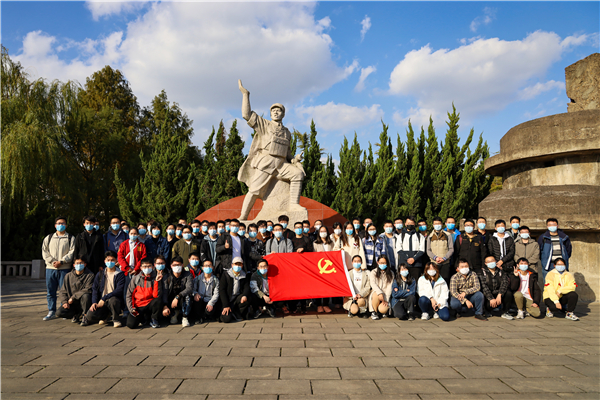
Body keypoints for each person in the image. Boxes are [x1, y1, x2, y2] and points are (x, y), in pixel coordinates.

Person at [42, 216, 75, 321]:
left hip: (64, 268)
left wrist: (61, 261)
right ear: (55, 225)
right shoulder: (49, 238)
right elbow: (44, 251)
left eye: (63, 223)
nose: (61, 225)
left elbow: (72, 252)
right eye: (59, 223)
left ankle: (63, 310)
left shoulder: (70, 238)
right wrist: (52, 261)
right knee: (50, 291)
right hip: (50, 268)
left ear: (66, 225)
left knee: (64, 291)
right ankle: (51, 310)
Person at [84, 251, 125, 327]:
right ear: (105, 261)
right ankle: (105, 316)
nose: (110, 262)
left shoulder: (120, 274)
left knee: (113, 300)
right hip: (101, 302)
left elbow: (119, 290)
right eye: (108, 260)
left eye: (112, 260)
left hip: (113, 299)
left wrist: (104, 298)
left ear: (116, 261)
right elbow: (95, 289)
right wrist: (94, 302)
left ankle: (116, 319)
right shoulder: (100, 274)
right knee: (90, 316)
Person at [126, 258, 163, 329]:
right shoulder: (135, 279)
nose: (147, 268)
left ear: (153, 267)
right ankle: (144, 319)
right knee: (131, 324)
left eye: (149, 266)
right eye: (145, 266)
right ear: (141, 268)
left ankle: (154, 319)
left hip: (150, 304)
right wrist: (131, 308)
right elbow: (129, 295)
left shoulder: (155, 277)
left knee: (158, 301)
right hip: (138, 305)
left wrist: (157, 281)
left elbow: (156, 295)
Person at [56, 258, 94, 325]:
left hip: (83, 302)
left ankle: (85, 316)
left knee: (86, 296)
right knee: (59, 313)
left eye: (81, 263)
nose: (79, 265)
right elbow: (62, 291)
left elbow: (88, 289)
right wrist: (64, 302)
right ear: (74, 265)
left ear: (85, 264)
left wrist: (73, 297)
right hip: (72, 303)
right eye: (77, 263)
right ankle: (76, 314)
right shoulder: (68, 276)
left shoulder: (90, 275)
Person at [161, 255, 193, 327]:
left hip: (181, 298)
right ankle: (174, 313)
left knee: (188, 296)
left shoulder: (187, 274)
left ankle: (185, 317)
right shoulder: (167, 276)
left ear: (182, 265)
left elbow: (189, 288)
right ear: (171, 266)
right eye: (174, 265)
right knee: (173, 321)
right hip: (170, 299)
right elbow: (165, 291)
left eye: (178, 265)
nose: (177, 267)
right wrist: (165, 306)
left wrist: (178, 297)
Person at [219, 257, 251, 323]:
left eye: (240, 264)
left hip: (237, 299)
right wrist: (226, 305)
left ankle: (235, 312)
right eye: (236, 264)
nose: (238, 266)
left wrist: (244, 295)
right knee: (226, 319)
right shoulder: (225, 275)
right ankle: (231, 313)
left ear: (242, 265)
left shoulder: (244, 275)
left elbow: (246, 287)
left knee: (248, 298)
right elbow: (222, 290)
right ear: (232, 265)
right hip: (227, 300)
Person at [313, 226, 335, 313]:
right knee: (318, 287)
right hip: (318, 267)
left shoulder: (331, 243)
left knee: (327, 287)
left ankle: (326, 304)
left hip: (328, 268)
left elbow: (334, 253)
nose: (323, 233)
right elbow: (312, 255)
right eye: (321, 231)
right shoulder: (315, 243)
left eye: (324, 231)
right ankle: (319, 305)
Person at [192, 259, 221, 323]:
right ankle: (198, 318)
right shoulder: (197, 278)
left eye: (209, 265)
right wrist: (195, 293)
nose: (208, 267)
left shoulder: (215, 280)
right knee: (197, 301)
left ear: (212, 268)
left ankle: (207, 316)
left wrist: (211, 303)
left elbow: (216, 294)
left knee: (209, 312)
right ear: (202, 268)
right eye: (206, 265)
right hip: (200, 300)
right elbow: (193, 289)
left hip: (210, 300)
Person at [426, 217, 454, 283]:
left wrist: (444, 258)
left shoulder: (448, 235)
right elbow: (428, 250)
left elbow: (451, 249)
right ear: (433, 225)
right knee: (434, 281)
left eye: (439, 223)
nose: (437, 225)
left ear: (442, 224)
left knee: (445, 281)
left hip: (445, 263)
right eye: (435, 224)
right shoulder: (430, 236)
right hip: (434, 263)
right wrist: (435, 258)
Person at [369, 255, 394, 320]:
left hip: (385, 294)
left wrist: (386, 299)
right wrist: (379, 293)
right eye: (381, 263)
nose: (382, 264)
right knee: (375, 294)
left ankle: (381, 311)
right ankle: (374, 312)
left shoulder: (391, 273)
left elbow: (389, 287)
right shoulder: (373, 272)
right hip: (376, 293)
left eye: (384, 263)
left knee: (383, 309)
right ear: (377, 262)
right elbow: (373, 284)